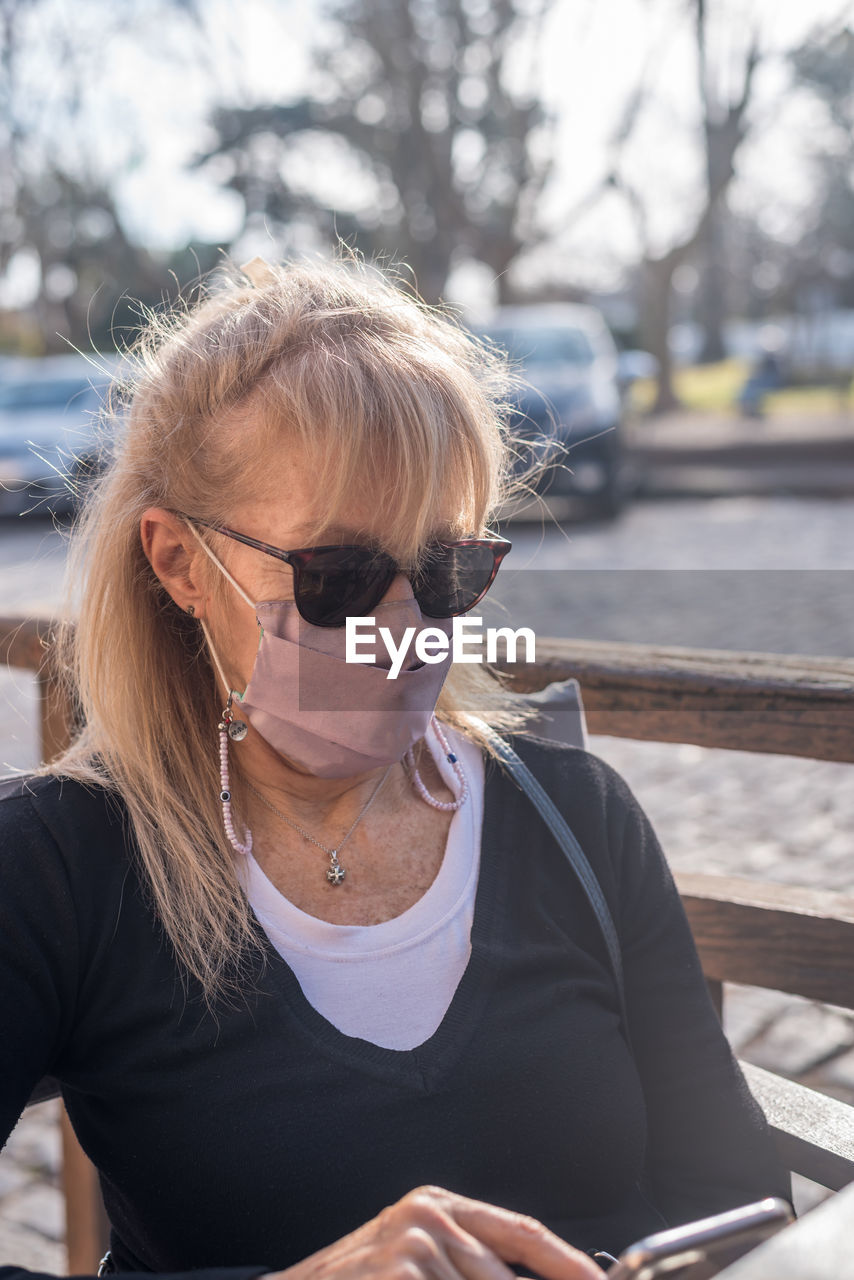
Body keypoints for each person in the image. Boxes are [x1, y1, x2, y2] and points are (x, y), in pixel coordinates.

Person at [0, 255, 792, 1280]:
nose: (404, 626)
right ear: (179, 562)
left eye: (445, 568)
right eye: (340, 575)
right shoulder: (63, 864)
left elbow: (736, 1195)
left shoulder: (576, 819)